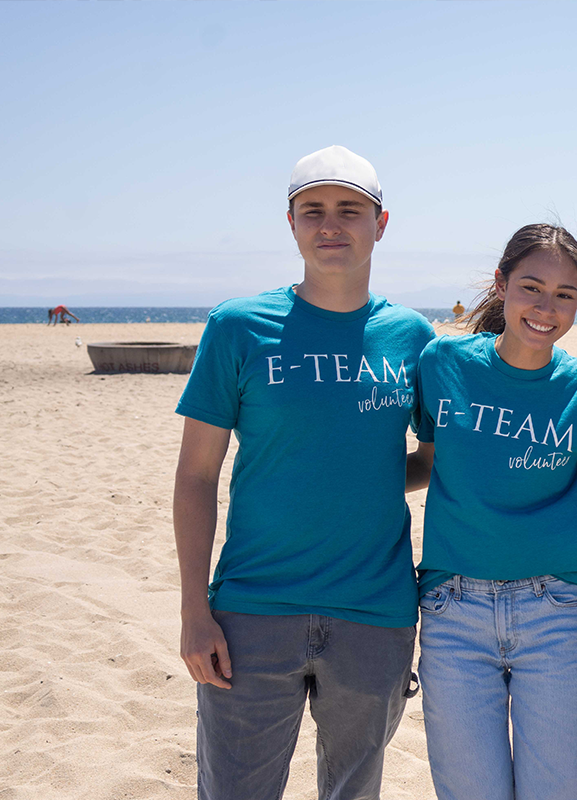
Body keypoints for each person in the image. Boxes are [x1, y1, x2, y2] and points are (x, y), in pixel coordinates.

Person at [172, 145, 435, 799]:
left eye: (350, 210)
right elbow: (197, 476)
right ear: (290, 223)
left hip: (374, 614)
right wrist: (193, 611)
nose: (331, 225)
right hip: (250, 612)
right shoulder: (237, 328)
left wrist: (352, 476)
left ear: (381, 222)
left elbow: (430, 461)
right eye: (313, 210)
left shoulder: (413, 337)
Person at [413, 224, 577, 799]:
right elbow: (432, 464)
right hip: (451, 614)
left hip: (554, 613)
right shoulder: (443, 364)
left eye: (565, 295)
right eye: (532, 288)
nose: (546, 308)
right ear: (501, 284)